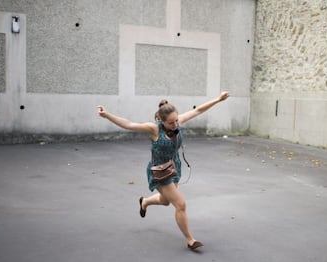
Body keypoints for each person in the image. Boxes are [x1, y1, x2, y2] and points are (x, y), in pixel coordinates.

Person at [97, 91, 230, 250]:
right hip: (159, 172)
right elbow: (129, 124)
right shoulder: (154, 129)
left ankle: (145, 202)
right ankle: (190, 240)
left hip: (174, 168)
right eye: (171, 123)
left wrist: (218, 99)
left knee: (165, 201)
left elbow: (198, 110)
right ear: (161, 120)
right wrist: (107, 115)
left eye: (176, 121)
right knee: (180, 204)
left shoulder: (177, 121)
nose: (175, 125)